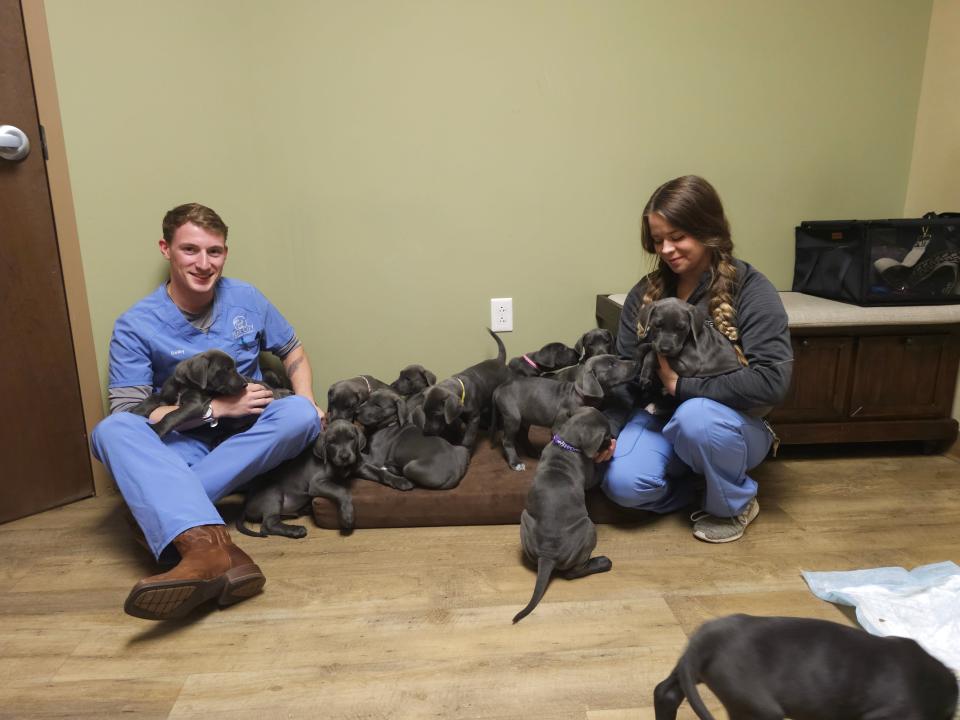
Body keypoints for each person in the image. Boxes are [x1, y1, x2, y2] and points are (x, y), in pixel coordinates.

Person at [90, 203, 325, 620]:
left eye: (214, 251)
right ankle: (220, 556)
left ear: (225, 254)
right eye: (190, 250)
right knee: (111, 431)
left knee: (300, 416)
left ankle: (162, 512)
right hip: (184, 441)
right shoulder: (136, 324)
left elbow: (294, 352)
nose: (203, 263)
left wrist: (306, 397)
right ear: (166, 249)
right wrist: (216, 408)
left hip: (251, 433)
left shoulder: (246, 299)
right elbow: (133, 413)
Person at [600, 175, 792, 543]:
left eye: (677, 237)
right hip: (660, 417)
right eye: (658, 241)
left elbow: (773, 382)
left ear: (708, 231)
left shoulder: (751, 290)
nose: (667, 249)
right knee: (624, 487)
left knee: (697, 417)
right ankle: (702, 487)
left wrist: (682, 386)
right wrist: (607, 432)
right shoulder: (645, 295)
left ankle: (733, 503)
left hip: (729, 424)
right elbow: (624, 375)